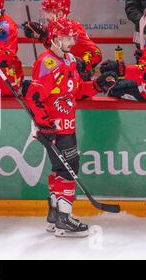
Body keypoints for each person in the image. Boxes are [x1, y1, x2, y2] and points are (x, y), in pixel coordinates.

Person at [25, 17, 116, 237]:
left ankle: (55, 216)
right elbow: (33, 97)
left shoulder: (69, 60)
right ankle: (64, 219)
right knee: (68, 168)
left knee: (60, 169)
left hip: (65, 125)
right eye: (66, 38)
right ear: (55, 39)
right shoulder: (47, 63)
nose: (71, 41)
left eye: (71, 37)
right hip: (55, 128)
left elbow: (74, 91)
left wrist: (96, 85)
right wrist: (45, 126)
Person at [23, 0, 102, 81]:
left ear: (60, 13)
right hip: (61, 75)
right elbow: (55, 46)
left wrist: (81, 63)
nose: (45, 16)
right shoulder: (53, 27)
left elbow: (96, 53)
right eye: (45, 12)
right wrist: (41, 35)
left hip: (76, 79)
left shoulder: (74, 29)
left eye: (49, 12)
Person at [100, 25, 146, 102]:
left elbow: (144, 71)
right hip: (142, 84)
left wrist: (122, 69)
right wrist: (141, 58)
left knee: (115, 90)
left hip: (144, 91)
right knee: (116, 85)